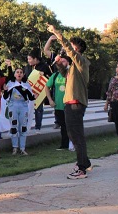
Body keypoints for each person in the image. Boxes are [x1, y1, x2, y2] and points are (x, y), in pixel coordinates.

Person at [48, 24, 91, 179]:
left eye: (72, 47)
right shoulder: (73, 66)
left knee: (77, 136)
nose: (68, 49)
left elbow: (68, 49)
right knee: (73, 134)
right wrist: (59, 63)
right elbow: (64, 73)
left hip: (76, 103)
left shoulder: (81, 61)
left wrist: (56, 33)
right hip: (70, 102)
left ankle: (81, 169)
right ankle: (84, 162)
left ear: (77, 49)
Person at [3, 60, 34, 156]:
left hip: (23, 107)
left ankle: (22, 148)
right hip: (13, 107)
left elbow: (31, 97)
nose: (19, 74)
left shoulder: (26, 84)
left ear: (23, 74)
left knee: (23, 127)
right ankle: (15, 147)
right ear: (14, 74)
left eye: (21, 72)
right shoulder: (10, 83)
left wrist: (35, 96)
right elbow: (5, 97)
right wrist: (5, 91)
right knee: (13, 127)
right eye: (17, 72)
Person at [44, 55, 74, 151]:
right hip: (58, 106)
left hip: (69, 104)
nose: (62, 63)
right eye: (61, 61)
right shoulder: (55, 75)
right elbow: (47, 87)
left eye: (64, 61)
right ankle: (64, 144)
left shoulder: (71, 75)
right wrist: (50, 100)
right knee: (63, 126)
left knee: (70, 125)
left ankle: (72, 143)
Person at [23, 48, 52, 131]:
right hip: (28, 91)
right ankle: (25, 126)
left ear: (35, 59)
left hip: (39, 92)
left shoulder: (45, 66)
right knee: (26, 109)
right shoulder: (27, 67)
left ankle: (38, 127)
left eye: (30, 59)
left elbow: (51, 77)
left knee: (38, 109)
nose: (28, 61)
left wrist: (45, 75)